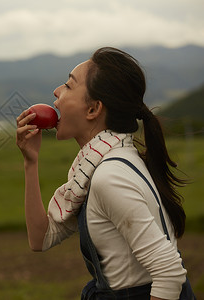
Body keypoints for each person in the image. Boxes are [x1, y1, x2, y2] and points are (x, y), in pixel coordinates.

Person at [16, 47, 193, 300]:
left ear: (93, 110)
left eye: (68, 85)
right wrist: (30, 163)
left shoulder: (109, 177)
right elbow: (40, 238)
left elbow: (169, 273)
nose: (56, 91)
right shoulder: (105, 162)